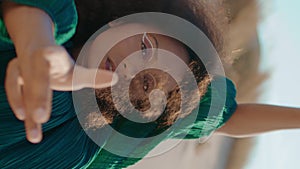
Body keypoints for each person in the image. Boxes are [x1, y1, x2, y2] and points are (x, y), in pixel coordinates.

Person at [0, 0, 300, 168]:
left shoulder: (108, 138)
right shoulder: (56, 22)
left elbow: (229, 116)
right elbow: (32, 10)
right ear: (122, 20)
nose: (131, 69)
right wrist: (35, 44)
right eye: (146, 47)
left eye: (146, 84)